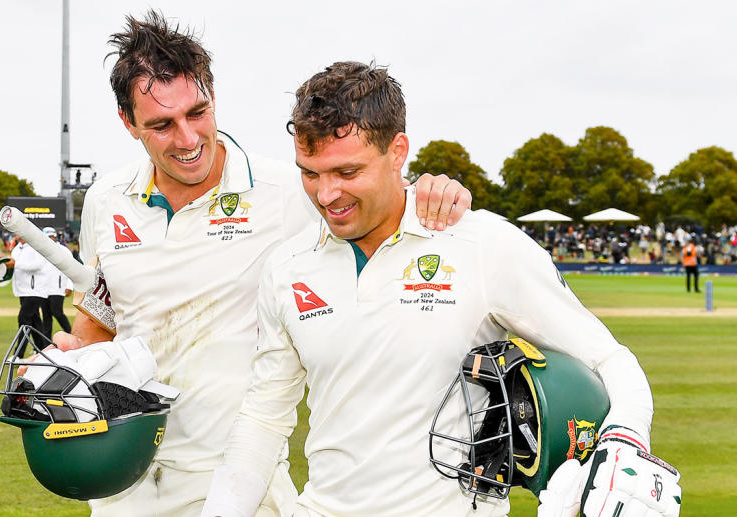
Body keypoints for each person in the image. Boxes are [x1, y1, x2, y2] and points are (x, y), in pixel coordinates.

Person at [202, 62, 679, 517]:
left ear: (398, 152)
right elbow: (264, 418)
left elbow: (611, 361)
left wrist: (626, 439)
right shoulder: (287, 268)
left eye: (347, 173)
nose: (326, 195)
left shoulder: (482, 244)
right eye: (310, 173)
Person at [44, 12, 471, 517]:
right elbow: (103, 315)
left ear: (214, 98)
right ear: (127, 122)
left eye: (197, 113)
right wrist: (80, 350)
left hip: (239, 481)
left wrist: (432, 190)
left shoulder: (287, 193)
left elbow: (375, 202)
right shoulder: (105, 200)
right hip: (126, 481)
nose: (187, 138)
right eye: (161, 124)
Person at [6, 236, 48, 355]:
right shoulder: (16, 249)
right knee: (35, 322)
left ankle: (18, 354)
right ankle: (43, 351)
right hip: (23, 291)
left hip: (35, 290)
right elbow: (14, 268)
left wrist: (16, 263)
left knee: (24, 320)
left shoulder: (36, 246)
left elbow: (38, 265)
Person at [39, 227, 73, 337]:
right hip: (43, 289)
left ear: (55, 237)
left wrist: (69, 286)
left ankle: (71, 334)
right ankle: (45, 345)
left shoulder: (64, 250)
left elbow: (72, 269)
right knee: (46, 317)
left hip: (58, 288)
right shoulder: (39, 250)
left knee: (57, 313)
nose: (50, 239)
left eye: (52, 236)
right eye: (48, 237)